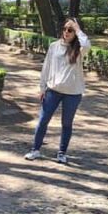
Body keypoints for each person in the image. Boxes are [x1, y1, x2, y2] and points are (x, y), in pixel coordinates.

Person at [25, 18, 91, 164]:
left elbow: (86, 44)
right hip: (53, 90)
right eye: (65, 29)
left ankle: (62, 153)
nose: (66, 32)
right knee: (43, 120)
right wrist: (42, 87)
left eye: (70, 30)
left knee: (66, 123)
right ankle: (35, 150)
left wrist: (78, 29)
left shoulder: (79, 49)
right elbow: (46, 67)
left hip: (73, 93)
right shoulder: (54, 46)